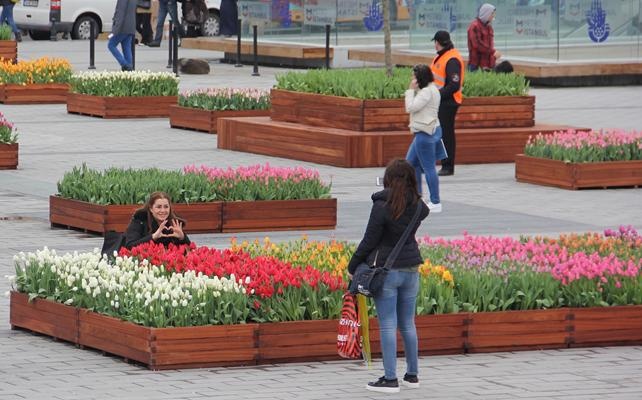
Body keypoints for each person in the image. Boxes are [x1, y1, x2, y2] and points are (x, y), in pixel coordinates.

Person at [347, 158, 430, 394]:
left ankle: (390, 379)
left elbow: (369, 241)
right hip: (411, 269)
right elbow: (417, 212)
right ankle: (412, 376)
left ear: (388, 180)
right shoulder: (418, 207)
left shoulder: (382, 206)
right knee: (407, 324)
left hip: (387, 272)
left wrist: (353, 266)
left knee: (387, 324)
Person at [405, 64, 445, 213]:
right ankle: (417, 198)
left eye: (414, 76)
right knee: (411, 164)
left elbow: (410, 107)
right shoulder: (433, 89)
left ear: (420, 78)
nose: (412, 79)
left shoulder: (426, 92)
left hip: (425, 132)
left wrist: (410, 90)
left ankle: (435, 201)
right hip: (430, 129)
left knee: (428, 167)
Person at [430, 30, 464, 177]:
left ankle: (448, 166)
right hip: (441, 101)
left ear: (438, 43)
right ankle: (444, 163)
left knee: (446, 134)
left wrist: (437, 95)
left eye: (435, 42)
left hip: (448, 102)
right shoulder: (442, 57)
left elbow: (454, 85)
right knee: (441, 133)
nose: (434, 45)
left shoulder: (451, 59)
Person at [124, 191, 190, 249]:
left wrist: (182, 238)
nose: (163, 210)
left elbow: (191, 249)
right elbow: (129, 246)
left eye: (166, 207)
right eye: (159, 207)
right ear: (151, 209)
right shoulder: (139, 221)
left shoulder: (174, 223)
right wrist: (153, 237)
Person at [467, 3, 500, 72]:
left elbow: (490, 46)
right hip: (476, 65)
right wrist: (493, 52)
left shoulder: (489, 27)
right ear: (486, 14)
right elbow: (477, 45)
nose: (493, 16)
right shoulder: (474, 26)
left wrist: (493, 58)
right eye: (492, 14)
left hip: (489, 64)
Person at [108, 0, 137, 71]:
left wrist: (114, 30)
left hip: (122, 27)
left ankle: (125, 65)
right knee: (127, 48)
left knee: (111, 45)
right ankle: (130, 71)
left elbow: (120, 14)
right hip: (130, 26)